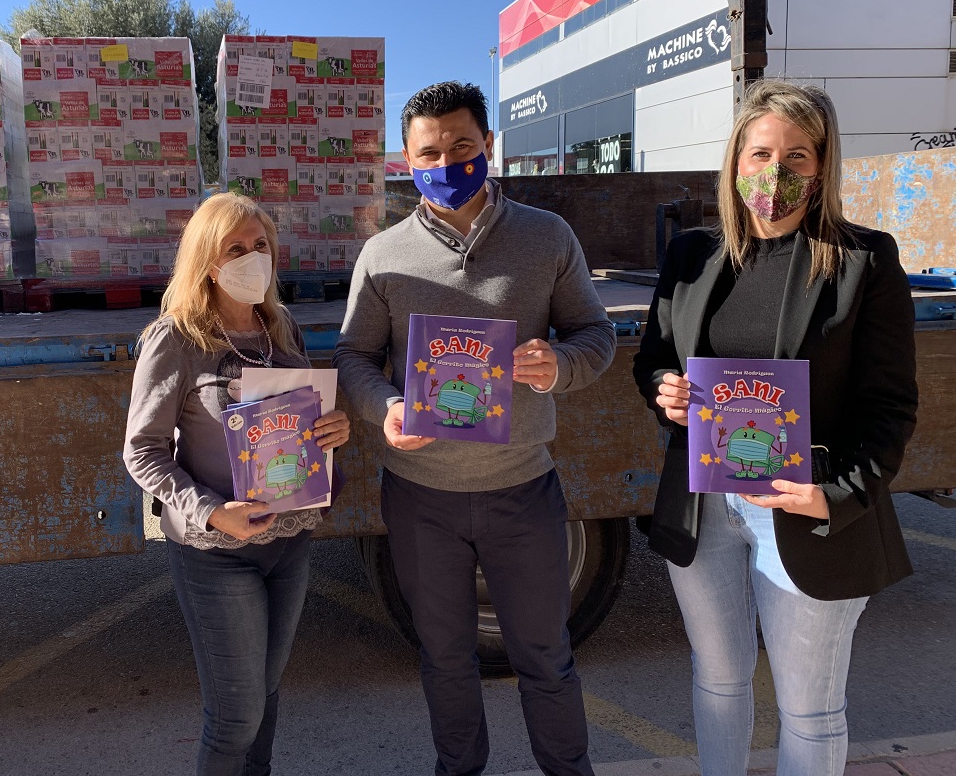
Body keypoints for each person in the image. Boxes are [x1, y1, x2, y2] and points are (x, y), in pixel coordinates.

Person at [632, 80, 918, 776]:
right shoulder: (692, 256)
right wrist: (665, 391)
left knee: (810, 710)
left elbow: (891, 404)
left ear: (822, 166)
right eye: (761, 154)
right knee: (717, 679)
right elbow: (654, 358)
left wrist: (837, 495)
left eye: (796, 157)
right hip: (702, 504)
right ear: (736, 160)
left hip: (805, 507)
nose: (775, 172)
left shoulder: (863, 260)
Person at [334, 81, 616, 776]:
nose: (447, 163)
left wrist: (558, 366)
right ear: (407, 159)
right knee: (445, 659)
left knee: (546, 657)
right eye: (430, 152)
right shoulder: (383, 255)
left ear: (488, 144)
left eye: (462, 146)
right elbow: (354, 358)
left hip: (523, 491)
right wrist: (385, 407)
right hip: (420, 498)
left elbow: (596, 334)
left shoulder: (547, 236)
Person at [123, 191, 350, 776]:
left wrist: (332, 431)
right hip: (216, 553)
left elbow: (303, 423)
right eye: (235, 249)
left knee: (266, 696)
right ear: (207, 261)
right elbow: (142, 452)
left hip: (289, 540)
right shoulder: (176, 338)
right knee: (235, 718)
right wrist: (210, 510)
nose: (253, 258)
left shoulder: (281, 326)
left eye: (260, 245)